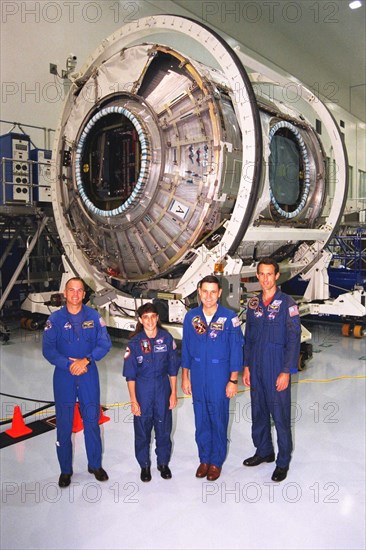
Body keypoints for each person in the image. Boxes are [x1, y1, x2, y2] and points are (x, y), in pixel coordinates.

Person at [42, 277, 112, 488]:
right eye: (71, 290)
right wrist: (67, 364)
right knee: (63, 423)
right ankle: (65, 470)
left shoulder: (94, 317)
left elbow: (105, 343)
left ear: (84, 294)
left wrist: (86, 360)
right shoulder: (54, 320)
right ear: (65, 293)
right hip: (64, 376)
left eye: (79, 290)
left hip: (88, 373)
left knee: (92, 419)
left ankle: (95, 465)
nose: (75, 294)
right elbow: (48, 350)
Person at [242, 258, 301, 482]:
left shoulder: (287, 303)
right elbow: (249, 338)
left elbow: (294, 340)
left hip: (277, 365)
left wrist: (286, 370)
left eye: (270, 274)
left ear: (277, 276)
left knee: (280, 415)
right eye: (261, 274)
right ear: (257, 276)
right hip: (256, 366)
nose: (265, 278)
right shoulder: (253, 304)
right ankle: (264, 451)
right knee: (258, 412)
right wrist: (246, 366)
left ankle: (283, 461)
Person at [181, 275, 244, 481]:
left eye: (213, 292)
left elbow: (236, 351)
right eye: (204, 291)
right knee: (201, 419)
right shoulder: (191, 317)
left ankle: (216, 461)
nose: (208, 296)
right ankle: (204, 459)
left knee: (218, 418)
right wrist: (185, 377)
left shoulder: (229, 318)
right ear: (199, 291)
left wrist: (233, 380)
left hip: (220, 375)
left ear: (219, 293)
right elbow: (186, 349)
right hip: (198, 374)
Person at [123, 303, 180, 482]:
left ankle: (163, 463)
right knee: (142, 430)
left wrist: (173, 393)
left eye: (153, 316)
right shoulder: (134, 343)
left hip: (163, 388)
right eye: (145, 317)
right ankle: (144, 465)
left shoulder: (166, 338)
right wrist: (133, 400)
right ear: (140, 320)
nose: (149, 321)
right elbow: (130, 375)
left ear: (157, 318)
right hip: (143, 389)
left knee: (164, 429)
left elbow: (172, 369)